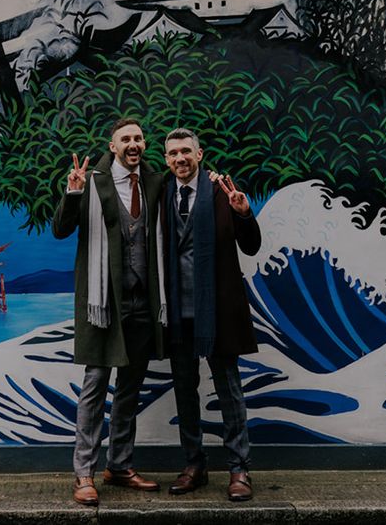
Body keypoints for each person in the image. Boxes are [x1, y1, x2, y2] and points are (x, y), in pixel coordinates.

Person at [52, 118, 166, 507]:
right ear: (113, 146)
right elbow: (61, 230)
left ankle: (119, 465)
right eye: (125, 140)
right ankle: (84, 472)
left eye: (138, 138)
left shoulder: (154, 181)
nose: (133, 144)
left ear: (144, 144)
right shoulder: (93, 181)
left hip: (142, 302)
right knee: (95, 386)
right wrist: (72, 192)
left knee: (130, 388)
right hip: (103, 303)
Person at [161, 127, 261, 502]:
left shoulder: (221, 192)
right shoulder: (163, 193)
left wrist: (245, 213)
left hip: (218, 308)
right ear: (167, 160)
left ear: (199, 155)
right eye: (173, 154)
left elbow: (251, 246)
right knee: (185, 390)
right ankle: (194, 465)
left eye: (186, 151)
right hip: (177, 310)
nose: (180, 159)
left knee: (229, 389)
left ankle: (238, 468)